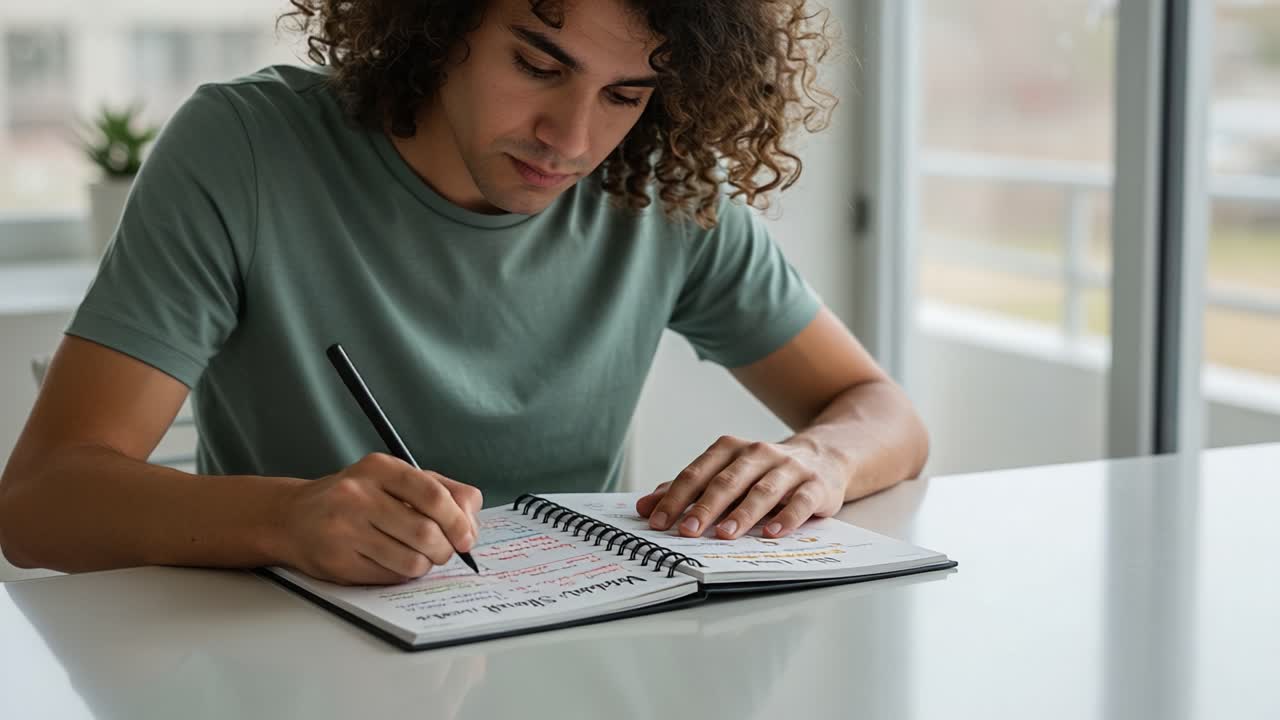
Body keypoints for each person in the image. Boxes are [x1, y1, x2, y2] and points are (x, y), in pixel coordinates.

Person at [0, 0, 928, 586]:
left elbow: (883, 412)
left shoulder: (663, 190)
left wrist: (825, 462)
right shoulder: (245, 152)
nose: (571, 137)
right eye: (538, 63)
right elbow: (39, 503)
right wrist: (284, 519)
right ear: (438, 24)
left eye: (626, 93)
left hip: (574, 654)